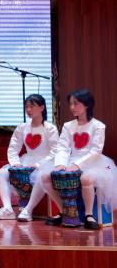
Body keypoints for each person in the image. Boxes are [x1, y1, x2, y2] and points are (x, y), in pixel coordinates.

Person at [41, 89, 116, 230]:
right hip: (71, 160)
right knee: (46, 176)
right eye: (70, 104)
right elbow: (62, 147)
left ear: (86, 104)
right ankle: (64, 211)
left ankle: (88, 215)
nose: (72, 107)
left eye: (76, 104)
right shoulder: (68, 125)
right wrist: (61, 164)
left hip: (94, 162)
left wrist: (78, 165)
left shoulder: (98, 126)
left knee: (86, 178)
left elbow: (96, 150)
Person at [0, 94, 58, 221]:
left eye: (32, 106)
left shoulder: (50, 128)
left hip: (46, 162)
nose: (28, 110)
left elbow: (55, 151)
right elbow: (13, 148)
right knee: (0, 174)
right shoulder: (22, 127)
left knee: (41, 176)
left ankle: (28, 210)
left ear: (42, 108)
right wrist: (15, 163)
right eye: (26, 107)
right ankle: (8, 209)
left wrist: (39, 164)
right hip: (26, 160)